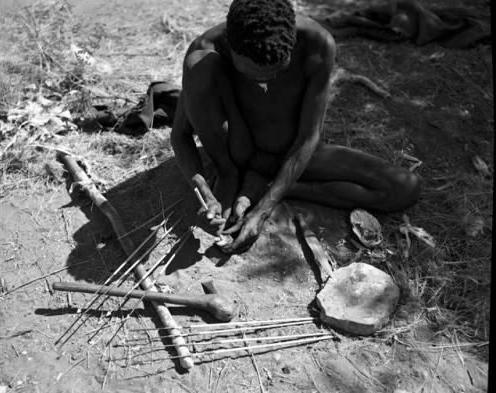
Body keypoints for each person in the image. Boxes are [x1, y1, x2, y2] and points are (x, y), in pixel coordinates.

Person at [170, 0, 420, 253]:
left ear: (291, 44)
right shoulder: (206, 49)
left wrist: (265, 205)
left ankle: (272, 186)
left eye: (275, 72)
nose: (264, 83)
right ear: (230, 45)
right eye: (252, 74)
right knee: (198, 64)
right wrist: (200, 185)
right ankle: (230, 176)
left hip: (293, 153)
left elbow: (308, 137)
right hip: (236, 152)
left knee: (404, 188)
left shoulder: (317, 45)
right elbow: (180, 136)